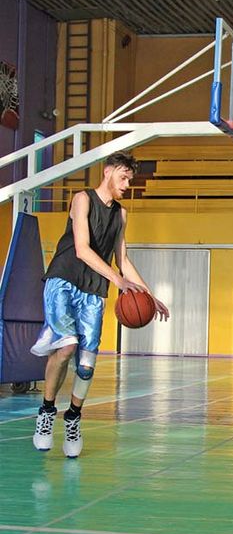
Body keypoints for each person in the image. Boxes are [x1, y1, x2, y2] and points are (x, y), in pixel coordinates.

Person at [30, 151, 170, 458]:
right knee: (66, 346)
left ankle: (73, 417)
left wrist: (149, 296)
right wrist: (118, 281)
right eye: (124, 177)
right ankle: (47, 411)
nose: (127, 185)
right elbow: (82, 249)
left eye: (130, 180)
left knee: (86, 365)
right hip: (64, 278)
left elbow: (123, 260)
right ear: (108, 172)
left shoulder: (121, 214)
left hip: (94, 290)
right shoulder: (82, 200)